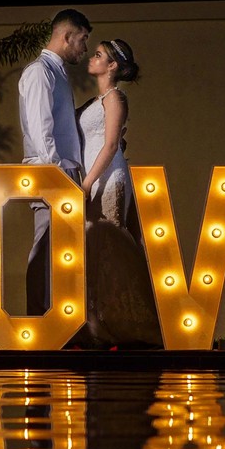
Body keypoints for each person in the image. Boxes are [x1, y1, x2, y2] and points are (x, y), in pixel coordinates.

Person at [73, 39, 162, 348]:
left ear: (112, 66)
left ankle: (122, 323)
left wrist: (88, 183)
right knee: (93, 246)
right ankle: (97, 322)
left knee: (108, 242)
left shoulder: (115, 98)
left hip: (108, 177)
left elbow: (111, 145)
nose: (92, 58)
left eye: (98, 55)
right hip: (93, 174)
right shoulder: (95, 101)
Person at [19, 8, 92, 316]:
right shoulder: (40, 72)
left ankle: (59, 320)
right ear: (67, 36)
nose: (85, 48)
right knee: (45, 248)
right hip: (52, 173)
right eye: (83, 39)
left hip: (66, 172)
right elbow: (40, 130)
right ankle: (38, 320)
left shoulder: (57, 73)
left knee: (64, 253)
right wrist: (56, 176)